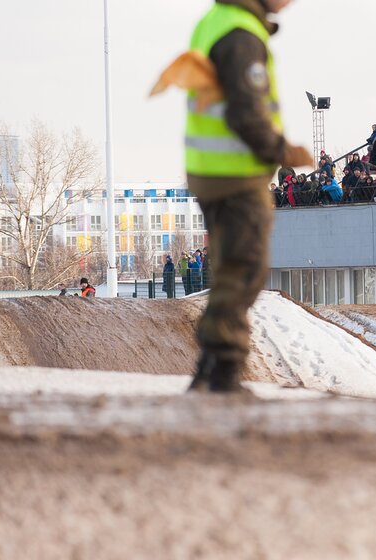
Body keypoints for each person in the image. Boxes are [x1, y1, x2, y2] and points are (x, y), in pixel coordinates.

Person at [156, 0, 314, 392]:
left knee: (230, 268)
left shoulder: (216, 20)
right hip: (235, 175)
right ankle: (224, 371)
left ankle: (209, 372)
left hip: (209, 169)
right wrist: (281, 150)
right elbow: (245, 110)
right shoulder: (242, 33)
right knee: (245, 269)